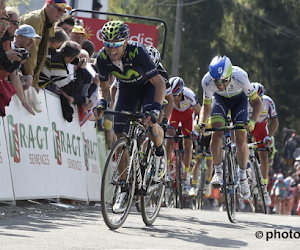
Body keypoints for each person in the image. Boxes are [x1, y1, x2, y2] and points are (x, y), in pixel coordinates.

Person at [93, 20, 166, 213]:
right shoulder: (102, 58)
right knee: (120, 134)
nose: (111, 48)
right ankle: (124, 189)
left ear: (125, 42)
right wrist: (102, 102)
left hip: (148, 87)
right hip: (127, 90)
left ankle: (159, 156)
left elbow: (159, 84)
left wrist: (156, 109)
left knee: (151, 125)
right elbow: (104, 87)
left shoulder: (137, 52)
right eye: (108, 44)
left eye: (116, 44)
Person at [197, 55, 262, 200]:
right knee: (216, 133)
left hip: (239, 101)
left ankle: (243, 176)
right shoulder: (207, 80)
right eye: (217, 82)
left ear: (230, 75)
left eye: (224, 81)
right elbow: (206, 106)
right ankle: (218, 171)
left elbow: (257, 103)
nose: (220, 85)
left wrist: (252, 121)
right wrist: (201, 122)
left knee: (240, 140)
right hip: (220, 101)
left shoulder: (240, 77)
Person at [19, 0, 72, 90]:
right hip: (18, 71)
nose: (61, 14)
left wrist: (35, 81)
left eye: (64, 11)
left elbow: (42, 54)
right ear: (48, 6)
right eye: (59, 9)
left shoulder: (49, 23)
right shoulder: (35, 19)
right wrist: (30, 76)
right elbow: (31, 51)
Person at [165, 76, 201, 194]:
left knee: (187, 146)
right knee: (169, 137)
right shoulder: (170, 96)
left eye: (175, 96)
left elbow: (199, 111)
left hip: (187, 117)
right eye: (171, 95)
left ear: (181, 93)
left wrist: (199, 125)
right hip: (174, 114)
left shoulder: (189, 95)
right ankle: (167, 168)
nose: (173, 98)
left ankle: (186, 177)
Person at [248, 82, 279, 205]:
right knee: (242, 148)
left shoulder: (268, 102)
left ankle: (264, 188)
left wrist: (268, 136)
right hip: (248, 128)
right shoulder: (244, 102)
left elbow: (275, 122)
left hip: (261, 129)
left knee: (264, 156)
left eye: (259, 99)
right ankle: (246, 176)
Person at [189, 121, 213, 197]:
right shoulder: (199, 117)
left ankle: (208, 184)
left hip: (209, 140)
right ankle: (193, 186)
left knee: (209, 163)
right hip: (200, 140)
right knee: (197, 162)